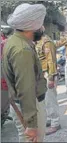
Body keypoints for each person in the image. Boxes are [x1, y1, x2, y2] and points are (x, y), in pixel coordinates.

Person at [2, 3, 47, 142]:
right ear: (32, 25)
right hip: (29, 105)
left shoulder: (14, 41)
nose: (42, 28)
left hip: (22, 104)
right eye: (40, 24)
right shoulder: (22, 49)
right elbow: (26, 88)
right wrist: (32, 124)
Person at [35, 33, 61, 135]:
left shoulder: (46, 42)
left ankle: (55, 123)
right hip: (42, 74)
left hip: (48, 74)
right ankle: (50, 119)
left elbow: (52, 61)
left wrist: (51, 78)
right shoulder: (38, 41)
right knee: (45, 101)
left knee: (50, 100)